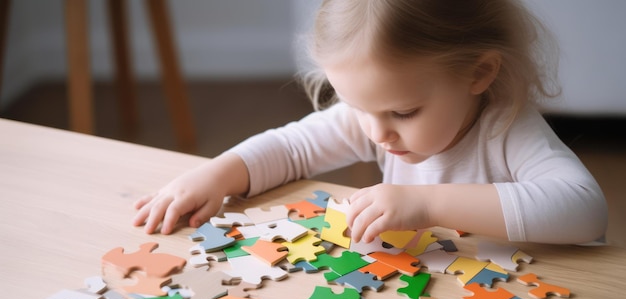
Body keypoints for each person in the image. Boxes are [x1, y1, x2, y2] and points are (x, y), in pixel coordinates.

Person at [133, 0, 607, 245]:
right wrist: (216, 173)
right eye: (357, 106)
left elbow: (585, 210)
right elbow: (293, 148)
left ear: (478, 73)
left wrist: (428, 204)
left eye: (403, 112)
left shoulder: (505, 128)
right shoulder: (380, 116)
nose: (378, 133)